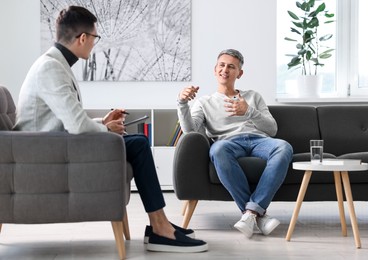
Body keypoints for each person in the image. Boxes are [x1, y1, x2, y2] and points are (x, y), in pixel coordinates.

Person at [14, 5, 207, 253]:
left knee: (135, 142)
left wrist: (103, 124)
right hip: (46, 155)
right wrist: (106, 130)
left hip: (54, 144)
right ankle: (159, 227)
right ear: (83, 38)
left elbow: (67, 118)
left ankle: (159, 224)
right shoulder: (50, 68)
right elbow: (74, 125)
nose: (95, 43)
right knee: (137, 144)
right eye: (95, 37)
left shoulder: (54, 64)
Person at [177, 49, 293, 238]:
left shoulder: (253, 96)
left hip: (259, 140)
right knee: (218, 150)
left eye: (231, 66)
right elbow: (190, 131)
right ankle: (257, 213)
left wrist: (249, 111)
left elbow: (272, 130)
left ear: (239, 73)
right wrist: (182, 103)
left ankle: (250, 213)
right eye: (222, 65)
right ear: (215, 70)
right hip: (228, 143)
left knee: (283, 147)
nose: (225, 69)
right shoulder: (204, 102)